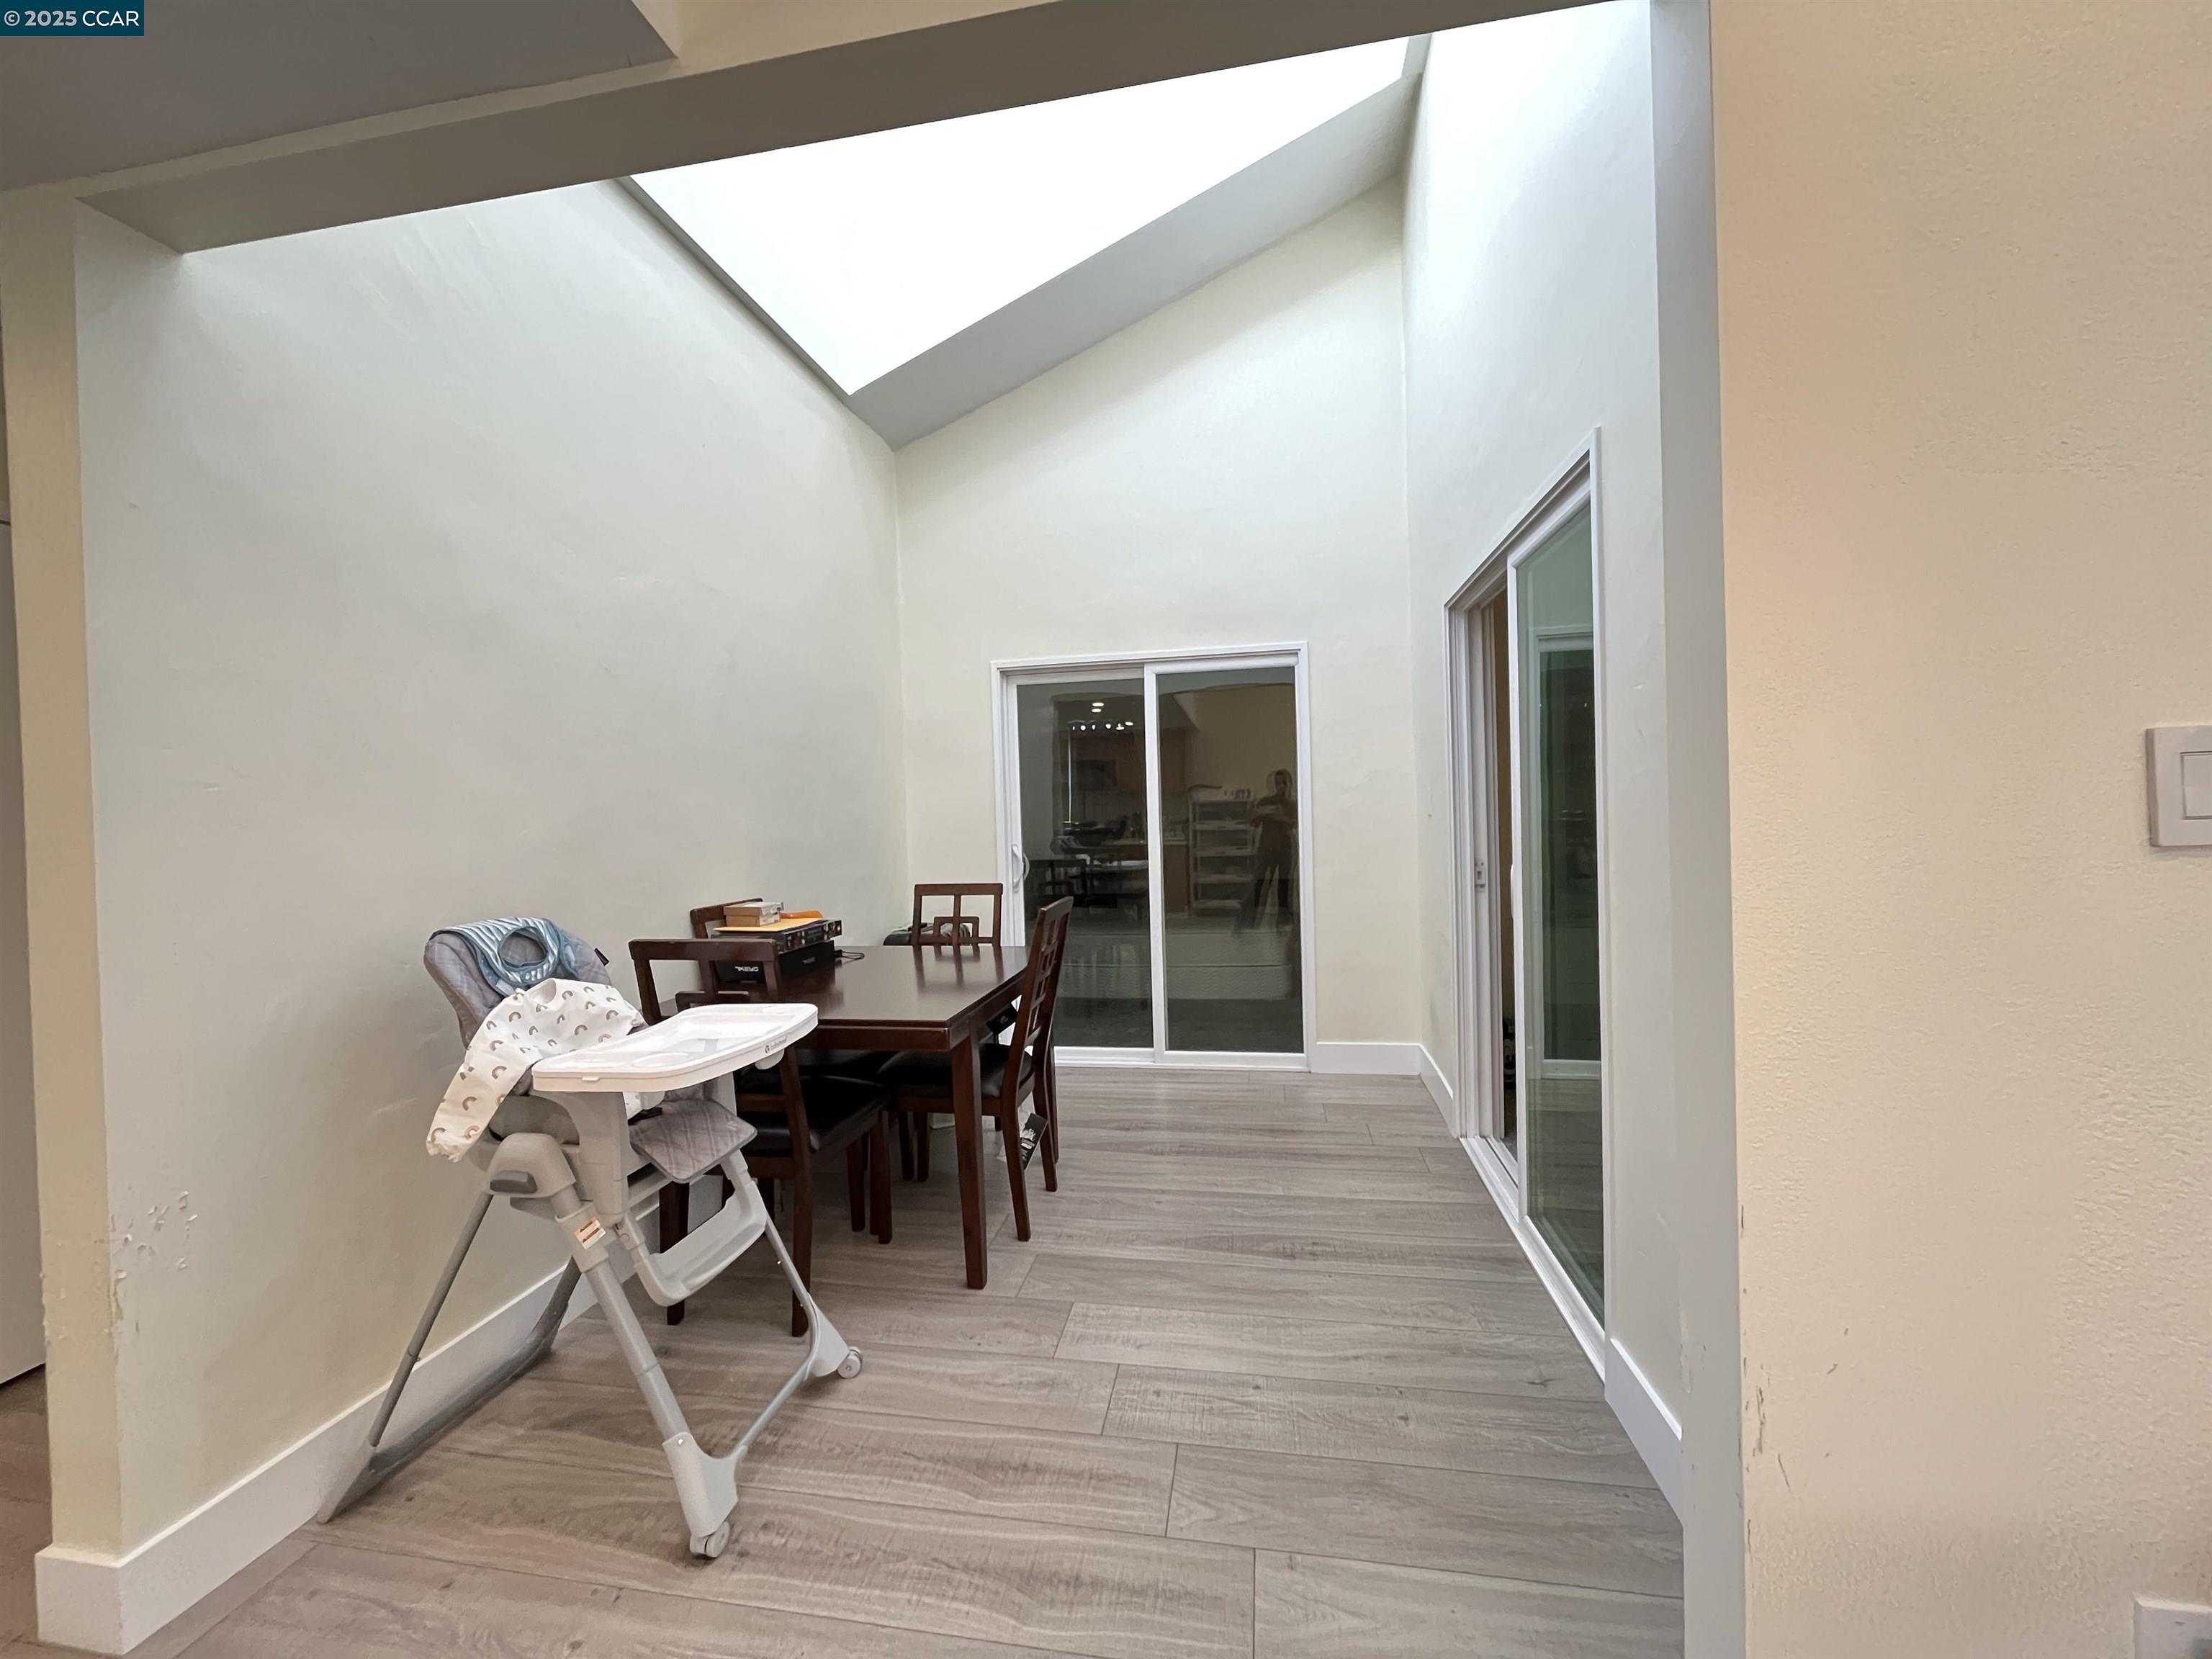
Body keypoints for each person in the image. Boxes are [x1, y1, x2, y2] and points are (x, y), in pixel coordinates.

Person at [1246, 768, 1298, 925]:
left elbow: (1296, 824)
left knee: (1284, 886)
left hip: (1285, 848)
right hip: (1266, 848)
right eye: (1277, 783)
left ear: (1289, 784)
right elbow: (1253, 823)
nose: (1280, 786)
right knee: (1259, 884)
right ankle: (1251, 921)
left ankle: (1283, 922)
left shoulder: (1292, 804)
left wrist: (1282, 817)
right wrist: (1256, 813)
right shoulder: (1265, 802)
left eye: (1284, 783)